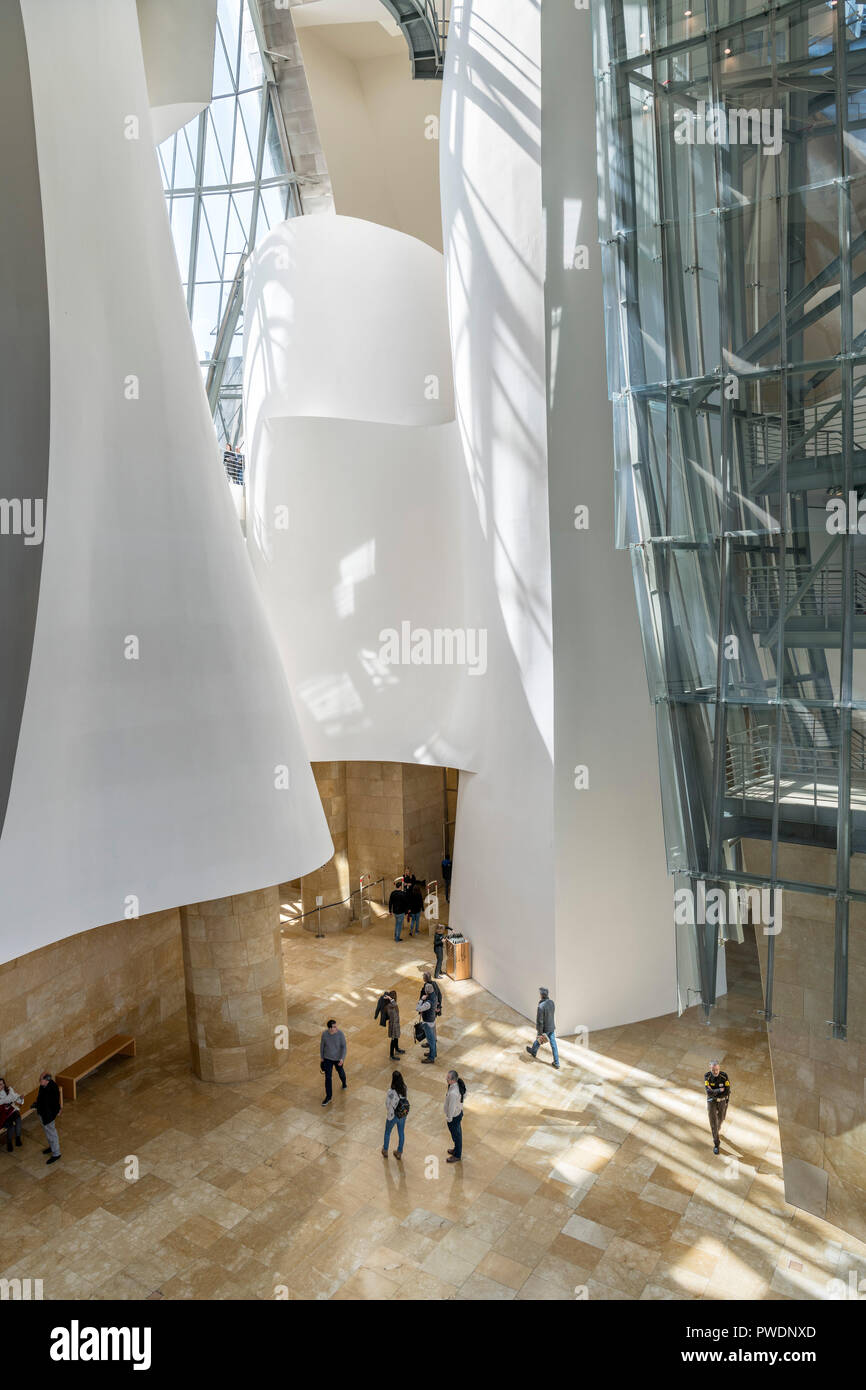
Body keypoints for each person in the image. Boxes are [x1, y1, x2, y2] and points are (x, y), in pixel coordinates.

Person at [525, 987, 560, 1069]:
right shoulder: (552, 1002)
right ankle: (556, 1062)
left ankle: (533, 1052)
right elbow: (552, 1013)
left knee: (538, 1040)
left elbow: (540, 1021)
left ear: (541, 995)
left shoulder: (541, 1006)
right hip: (551, 1026)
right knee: (553, 1045)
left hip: (545, 1029)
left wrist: (540, 1033)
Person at [35, 1070, 62, 1164]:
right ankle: (52, 1147)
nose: (39, 1080)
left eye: (41, 1079)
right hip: (43, 1113)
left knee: (52, 1133)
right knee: (48, 1132)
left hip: (48, 1115)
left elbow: (55, 1103)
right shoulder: (43, 1086)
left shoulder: (53, 1088)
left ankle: (56, 1153)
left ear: (47, 1080)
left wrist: (56, 1111)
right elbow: (40, 1098)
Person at [705, 1060, 731, 1155]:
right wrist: (719, 1090)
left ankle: (717, 1128)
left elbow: (727, 1091)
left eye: (717, 1070)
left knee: (721, 1118)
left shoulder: (724, 1076)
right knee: (713, 1123)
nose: (715, 1072)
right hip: (711, 1102)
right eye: (713, 1070)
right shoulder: (707, 1076)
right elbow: (708, 1092)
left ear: (719, 1068)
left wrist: (714, 1092)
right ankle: (716, 1143)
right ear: (710, 1069)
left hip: (722, 1101)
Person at [320, 1019, 348, 1106]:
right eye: (334, 1027)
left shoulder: (340, 1034)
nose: (337, 1028)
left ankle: (344, 1082)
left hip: (338, 1059)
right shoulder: (324, 1034)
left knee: (341, 1073)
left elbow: (344, 1047)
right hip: (327, 1058)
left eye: (336, 1026)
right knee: (328, 1078)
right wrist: (322, 1057)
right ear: (330, 1028)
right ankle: (328, 1097)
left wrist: (342, 1059)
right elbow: (322, 1046)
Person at [382, 1070, 409, 1159]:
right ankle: (399, 1152)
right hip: (402, 1114)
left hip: (393, 1116)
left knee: (387, 1132)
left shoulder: (391, 1092)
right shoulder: (405, 1087)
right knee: (401, 1133)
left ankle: (385, 1150)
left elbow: (387, 1103)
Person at [444, 1069, 465, 1163]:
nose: (446, 1079)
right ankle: (456, 1149)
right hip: (458, 1113)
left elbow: (451, 1107)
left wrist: (449, 1119)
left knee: (456, 1136)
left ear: (453, 1080)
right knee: (457, 1134)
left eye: (448, 1078)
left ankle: (457, 1155)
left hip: (454, 1117)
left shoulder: (453, 1093)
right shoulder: (454, 1086)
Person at [0, 1077, 23, 1153]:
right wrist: (8, 1100)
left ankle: (18, 1137)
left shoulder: (9, 1090)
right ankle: (9, 1143)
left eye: (2, 1084)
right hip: (3, 1115)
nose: (1, 1086)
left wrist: (20, 1098)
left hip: (11, 1111)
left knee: (18, 1118)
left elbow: (16, 1097)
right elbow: (3, 1102)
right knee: (11, 1126)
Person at [417, 982, 437, 1062]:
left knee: (431, 1041)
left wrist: (421, 1000)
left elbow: (418, 1008)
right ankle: (433, 1053)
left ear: (426, 991)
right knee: (432, 1040)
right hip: (432, 1020)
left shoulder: (428, 1003)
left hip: (428, 1023)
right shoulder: (434, 996)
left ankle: (431, 1058)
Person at [387, 992, 405, 1060]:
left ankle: (397, 1049)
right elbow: (395, 1004)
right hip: (393, 1025)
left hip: (396, 1024)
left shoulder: (392, 1005)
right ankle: (391, 1055)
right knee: (393, 1039)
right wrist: (390, 999)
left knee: (396, 1037)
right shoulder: (390, 1005)